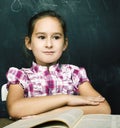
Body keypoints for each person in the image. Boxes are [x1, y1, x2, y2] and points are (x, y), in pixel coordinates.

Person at [6, 10, 111, 119]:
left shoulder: (73, 73)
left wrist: (52, 113)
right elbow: (14, 109)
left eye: (56, 37)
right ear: (28, 43)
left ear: (64, 44)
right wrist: (66, 98)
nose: (49, 44)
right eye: (41, 37)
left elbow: (104, 108)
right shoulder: (21, 75)